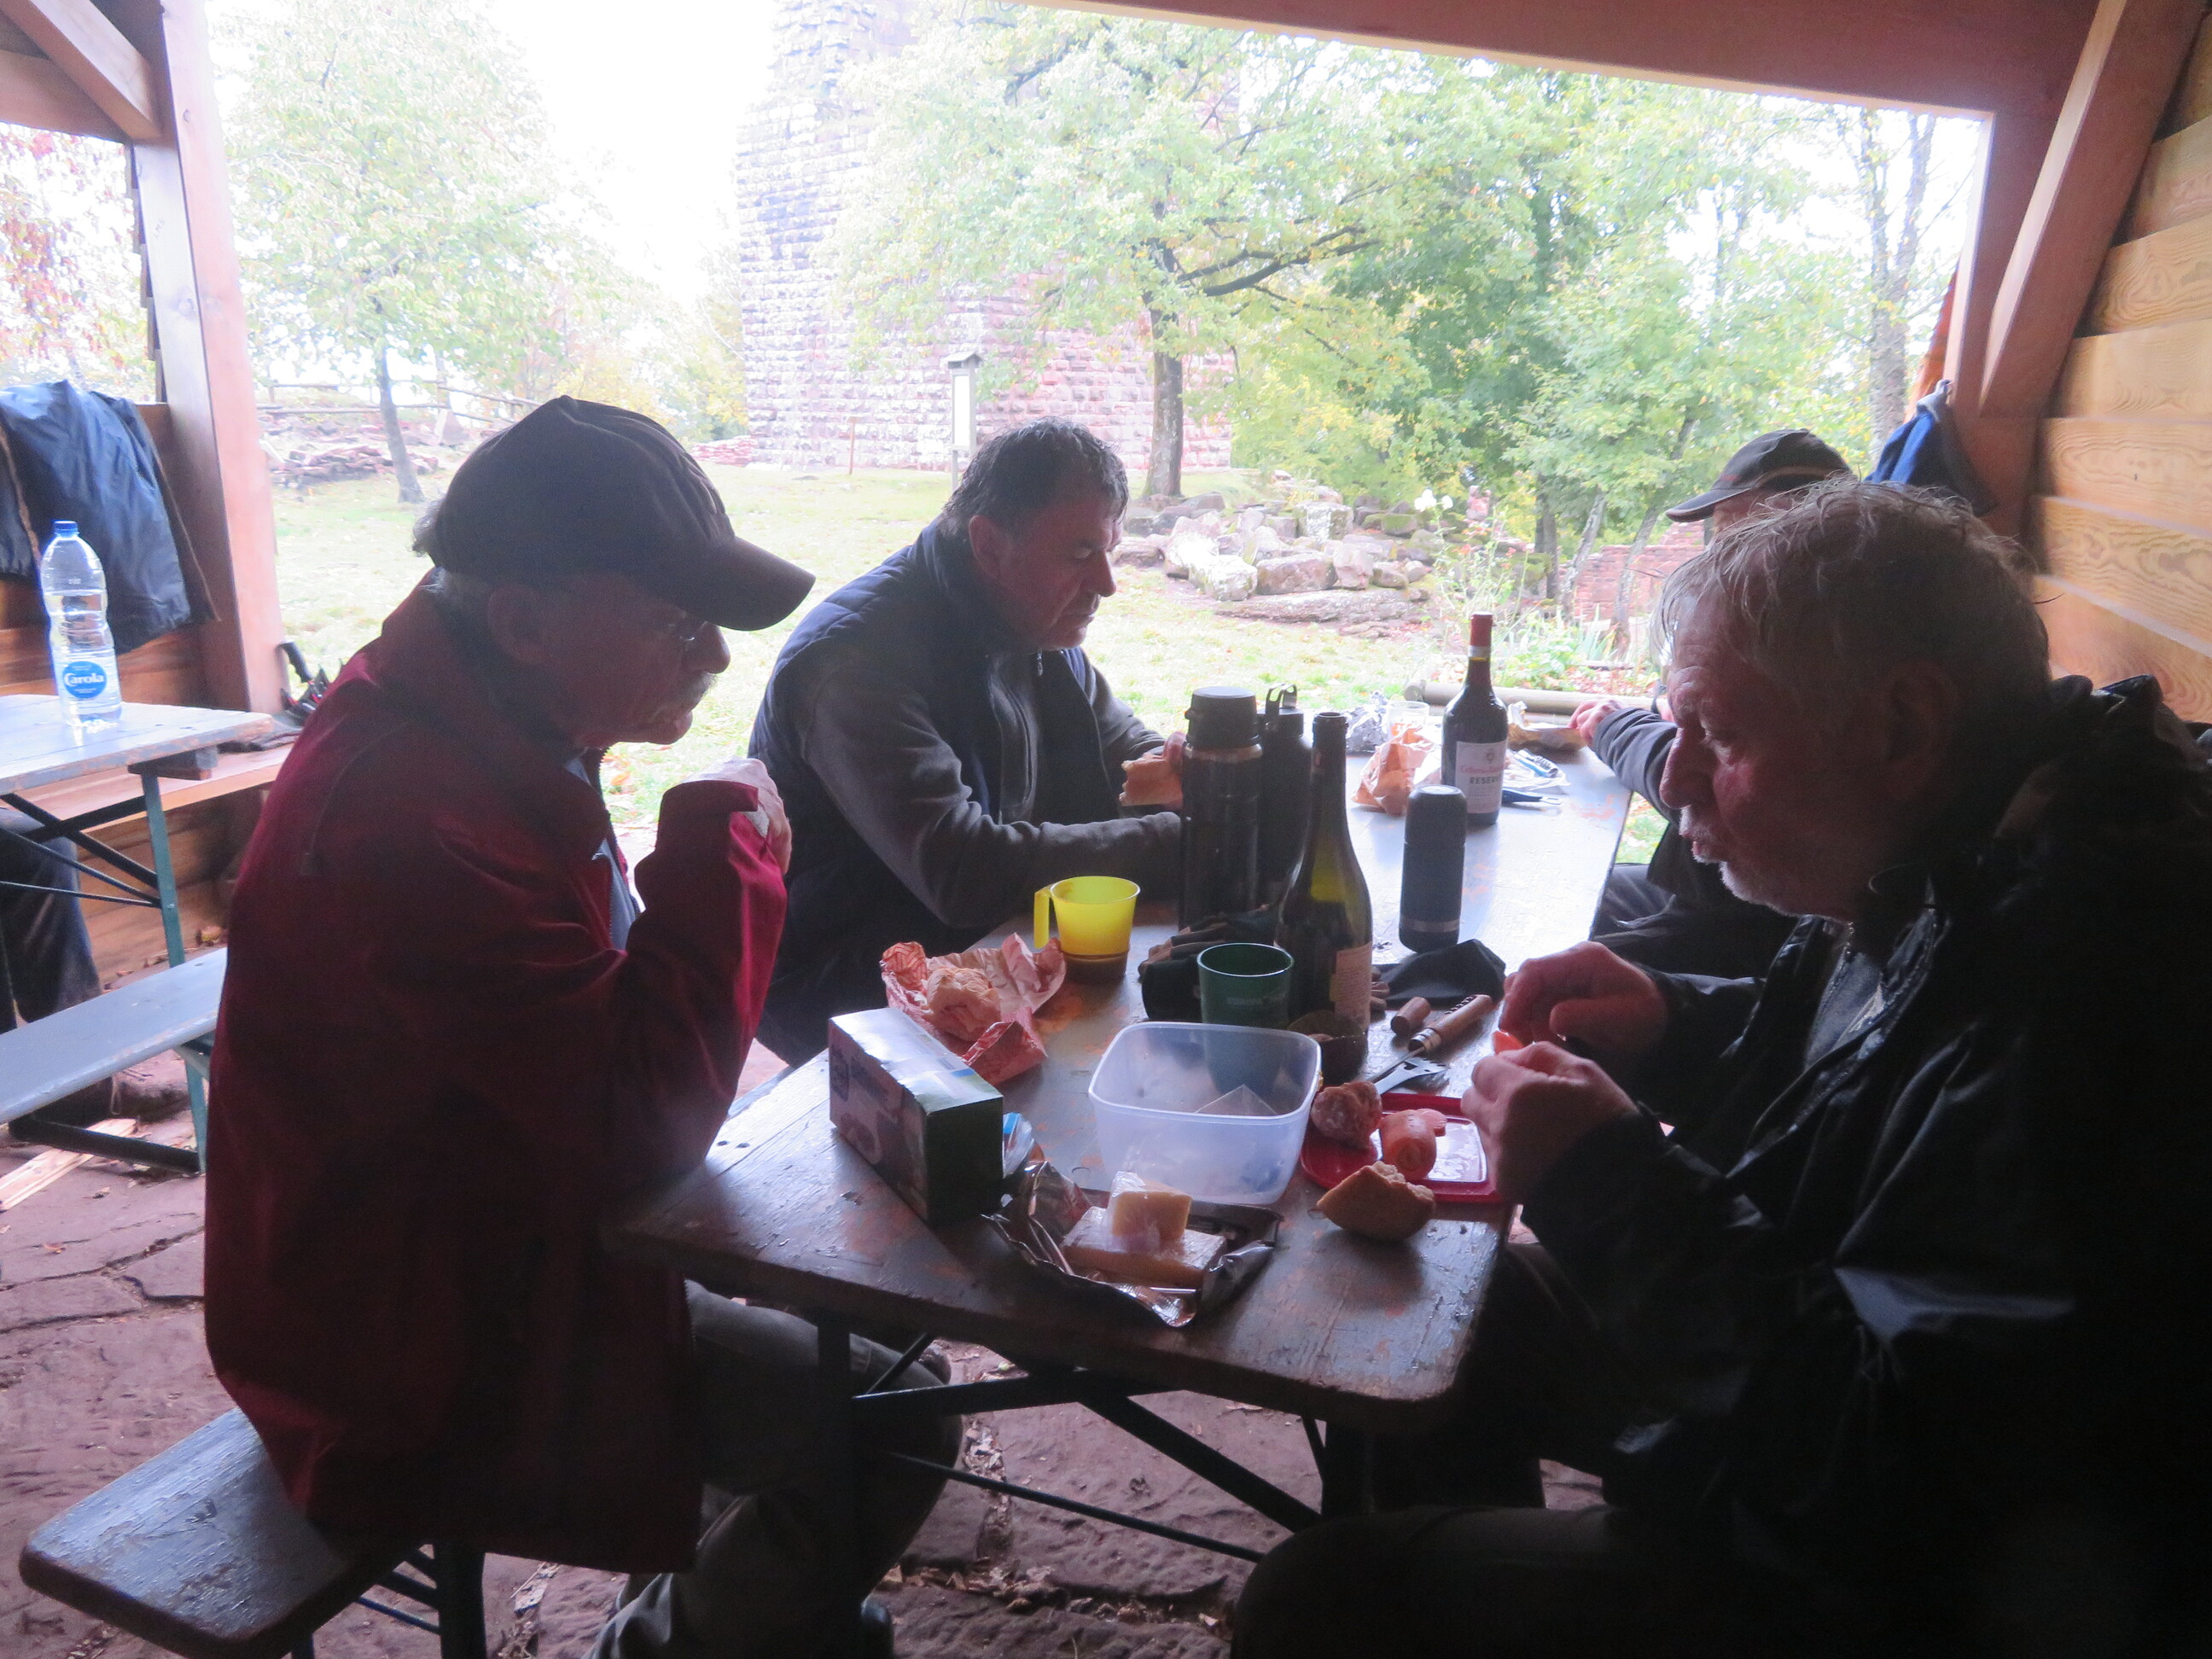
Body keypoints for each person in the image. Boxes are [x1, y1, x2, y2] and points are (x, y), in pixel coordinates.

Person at [1235, 482, 2212, 1657]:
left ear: (1902, 727)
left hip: (1938, 1582)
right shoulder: (1972, 847)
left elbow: (1904, 1478)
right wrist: (1672, 1027)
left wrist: (1609, 1184)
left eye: (1720, 737)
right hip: (1834, 1397)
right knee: (1430, 1309)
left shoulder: (2096, 977)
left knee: (1317, 1602)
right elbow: (1878, 1067)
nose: (1678, 778)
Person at [204, 398, 958, 1659]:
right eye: (674, 622)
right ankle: (672, 1643)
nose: (713, 656)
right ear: (523, 620)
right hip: (400, 1334)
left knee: (889, 1331)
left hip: (496, 1227)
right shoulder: (408, 816)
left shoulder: (482, 715)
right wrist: (721, 853)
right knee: (889, 1420)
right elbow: (639, 1128)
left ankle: (747, 1599)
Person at [751, 417, 1178, 1061]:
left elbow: (1124, 749)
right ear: (988, 545)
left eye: (1108, 551)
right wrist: (1182, 841)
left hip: (984, 949)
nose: (1106, 583)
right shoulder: (856, 661)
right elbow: (962, 870)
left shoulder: (1030, 618)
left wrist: (1201, 771)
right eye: (1079, 554)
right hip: (850, 985)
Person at [1576, 428, 1854, 979]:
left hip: (1742, 925)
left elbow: (1722, 788)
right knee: (1579, 885)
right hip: (1710, 895)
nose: (1719, 558)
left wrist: (1616, 729)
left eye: (1739, 537)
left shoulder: (1820, 642)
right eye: (1719, 536)